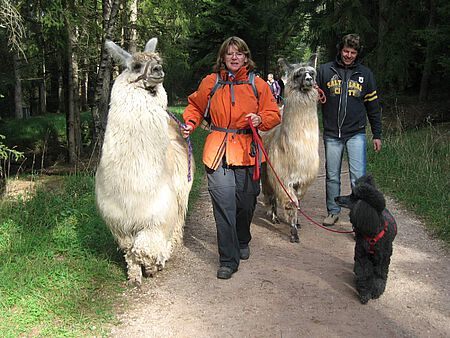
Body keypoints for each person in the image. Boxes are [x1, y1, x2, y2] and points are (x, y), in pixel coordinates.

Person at [182, 36, 281, 279]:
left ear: (246, 57)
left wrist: (260, 119)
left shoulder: (257, 84)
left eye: (239, 53)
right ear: (223, 58)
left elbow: (273, 114)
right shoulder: (211, 82)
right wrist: (190, 123)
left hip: (247, 151)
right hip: (218, 151)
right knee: (224, 205)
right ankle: (228, 259)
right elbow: (194, 106)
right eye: (230, 54)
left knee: (246, 203)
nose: (234, 57)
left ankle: (243, 237)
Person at [316, 33, 382, 226]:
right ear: (340, 49)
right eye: (346, 51)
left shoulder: (365, 75)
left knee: (358, 179)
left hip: (356, 133)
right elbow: (311, 98)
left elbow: (373, 107)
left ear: (357, 53)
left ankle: (358, 218)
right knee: (332, 176)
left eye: (353, 52)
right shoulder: (325, 71)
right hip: (332, 133)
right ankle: (333, 211)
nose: (348, 55)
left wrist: (377, 134)